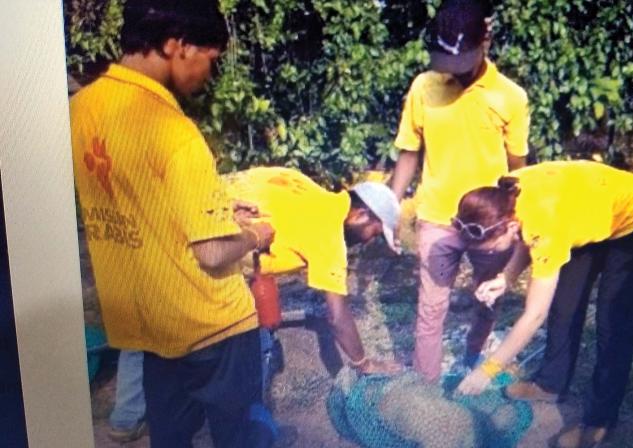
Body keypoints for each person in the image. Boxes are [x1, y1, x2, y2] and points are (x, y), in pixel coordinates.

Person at [70, 1, 277, 446]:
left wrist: (219, 211)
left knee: (170, 436)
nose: (209, 74)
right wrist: (256, 234)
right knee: (239, 434)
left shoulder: (80, 109)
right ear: (177, 45)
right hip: (212, 325)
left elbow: (139, 201)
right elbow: (212, 252)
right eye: (211, 59)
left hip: (152, 325)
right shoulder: (173, 131)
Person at [454, 161, 633, 448]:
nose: (490, 253)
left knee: (612, 322)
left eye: (491, 247)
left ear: (509, 226)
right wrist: (506, 278)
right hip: (586, 214)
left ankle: (599, 421)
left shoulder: (545, 225)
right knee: (565, 306)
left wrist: (487, 370)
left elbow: (533, 315)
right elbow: (524, 238)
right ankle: (550, 384)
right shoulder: (503, 193)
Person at [389, 0, 530, 383]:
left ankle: (472, 356)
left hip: (490, 225)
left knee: (487, 298)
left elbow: (519, 170)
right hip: (437, 218)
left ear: (487, 36)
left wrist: (519, 219)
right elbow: (408, 152)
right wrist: (391, 208)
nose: (455, 74)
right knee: (430, 310)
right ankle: (425, 390)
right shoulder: (423, 87)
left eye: (462, 62)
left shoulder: (510, 98)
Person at [226, 167, 403, 374]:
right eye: (376, 233)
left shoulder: (300, 182)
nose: (369, 241)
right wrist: (365, 364)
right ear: (361, 216)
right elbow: (337, 317)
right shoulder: (329, 234)